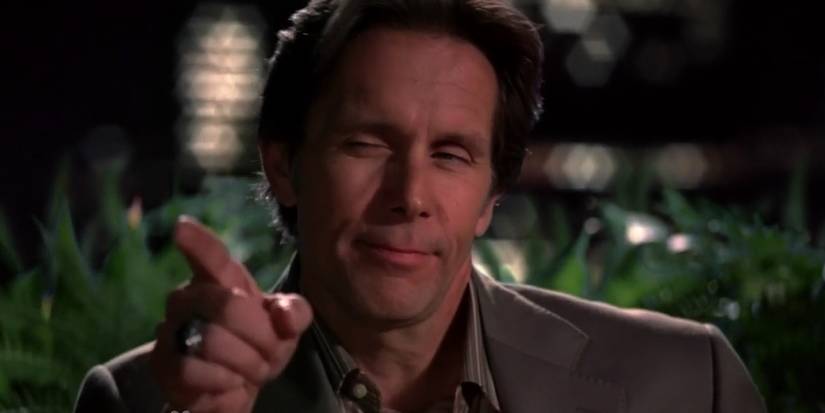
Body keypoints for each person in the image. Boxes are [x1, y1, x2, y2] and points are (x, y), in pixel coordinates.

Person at [74, 0, 767, 412]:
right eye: (366, 144)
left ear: (491, 196)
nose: (408, 197)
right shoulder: (141, 400)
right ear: (284, 165)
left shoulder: (686, 383)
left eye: (450, 155)